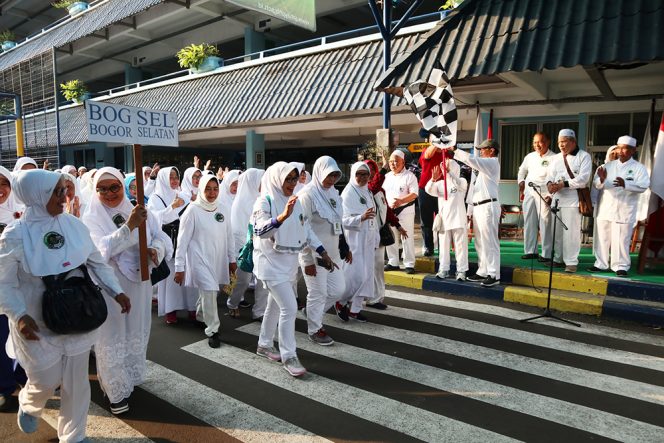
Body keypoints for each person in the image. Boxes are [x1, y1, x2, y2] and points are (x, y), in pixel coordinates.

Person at [0, 169, 130, 442]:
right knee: (46, 380)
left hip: (78, 314)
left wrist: (116, 291)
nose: (64, 197)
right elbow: (4, 283)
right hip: (36, 324)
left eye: (64, 190)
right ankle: (30, 403)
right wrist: (19, 315)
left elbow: (95, 261)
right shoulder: (14, 236)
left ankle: (74, 436)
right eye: (57, 192)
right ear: (37, 196)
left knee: (76, 382)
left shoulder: (73, 225)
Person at [82, 167, 170, 415]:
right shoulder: (92, 217)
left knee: (136, 329)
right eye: (102, 189)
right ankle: (114, 390)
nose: (109, 193)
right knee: (111, 335)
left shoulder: (142, 211)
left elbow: (161, 237)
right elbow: (98, 252)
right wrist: (129, 226)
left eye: (114, 187)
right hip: (110, 286)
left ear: (123, 186)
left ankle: (131, 376)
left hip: (139, 282)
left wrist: (156, 249)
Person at [252, 162, 333, 377]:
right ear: (277, 178)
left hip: (288, 265)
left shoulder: (294, 201)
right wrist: (280, 217)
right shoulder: (264, 201)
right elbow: (260, 231)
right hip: (269, 265)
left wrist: (322, 251)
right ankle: (289, 355)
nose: (292, 183)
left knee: (275, 307)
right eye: (288, 179)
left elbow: (306, 229)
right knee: (289, 308)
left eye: (294, 179)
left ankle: (264, 344)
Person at [174, 174, 237, 348]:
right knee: (209, 290)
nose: (212, 193)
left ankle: (201, 314)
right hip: (198, 260)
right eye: (208, 189)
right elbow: (182, 241)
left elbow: (229, 236)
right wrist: (179, 267)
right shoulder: (192, 210)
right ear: (201, 189)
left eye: (215, 189)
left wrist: (232, 259)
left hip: (217, 259)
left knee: (211, 291)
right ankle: (213, 330)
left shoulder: (223, 208)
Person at [298, 156, 350, 344]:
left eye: (335, 176)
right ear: (320, 172)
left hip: (333, 254)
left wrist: (345, 246)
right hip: (315, 254)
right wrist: (307, 260)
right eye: (329, 176)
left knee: (338, 290)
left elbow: (338, 222)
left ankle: (312, 312)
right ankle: (315, 329)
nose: (332, 180)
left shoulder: (333, 193)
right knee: (318, 293)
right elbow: (302, 228)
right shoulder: (307, 195)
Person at [589, 136, 650, 276]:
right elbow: (596, 184)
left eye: (625, 148)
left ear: (633, 150)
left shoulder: (638, 168)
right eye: (618, 147)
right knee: (602, 238)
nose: (621, 151)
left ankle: (620, 266)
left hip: (624, 209)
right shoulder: (607, 166)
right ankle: (601, 263)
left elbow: (643, 186)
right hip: (606, 207)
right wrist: (602, 180)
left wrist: (626, 184)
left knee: (621, 239)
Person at [450, 140, 501, 287]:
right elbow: (473, 189)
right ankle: (483, 271)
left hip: (488, 205)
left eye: (483, 149)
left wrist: (455, 150)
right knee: (480, 241)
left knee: (490, 241)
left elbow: (471, 159)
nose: (480, 152)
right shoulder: (482, 166)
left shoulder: (492, 162)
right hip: (479, 205)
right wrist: (470, 210)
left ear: (491, 150)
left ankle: (494, 274)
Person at [147, 167, 192, 324]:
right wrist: (172, 207)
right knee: (173, 278)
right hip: (170, 240)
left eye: (176, 177)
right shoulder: (155, 198)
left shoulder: (182, 195)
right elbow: (157, 219)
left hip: (185, 239)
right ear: (164, 179)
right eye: (171, 177)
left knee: (188, 275)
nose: (174, 181)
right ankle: (171, 310)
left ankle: (192, 308)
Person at [338, 162, 380, 322]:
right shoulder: (348, 193)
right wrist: (360, 218)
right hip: (354, 241)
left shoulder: (368, 191)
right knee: (354, 276)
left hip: (368, 241)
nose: (362, 178)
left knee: (366, 276)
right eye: (359, 174)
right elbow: (343, 220)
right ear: (353, 174)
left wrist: (376, 237)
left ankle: (355, 309)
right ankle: (341, 301)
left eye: (365, 174)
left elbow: (373, 218)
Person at [546, 129, 592, 273]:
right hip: (557, 199)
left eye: (564, 141)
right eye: (559, 142)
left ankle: (571, 262)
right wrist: (549, 185)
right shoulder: (555, 158)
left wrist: (563, 184)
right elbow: (550, 175)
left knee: (571, 232)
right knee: (557, 232)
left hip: (573, 201)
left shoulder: (584, 156)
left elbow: (584, 179)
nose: (561, 145)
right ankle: (558, 259)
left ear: (573, 142)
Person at [363, 159, 407, 310]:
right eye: (365, 172)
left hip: (380, 233)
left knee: (378, 267)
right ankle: (372, 298)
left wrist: (398, 225)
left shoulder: (380, 191)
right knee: (373, 268)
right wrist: (383, 170)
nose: (369, 175)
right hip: (368, 235)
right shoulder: (367, 189)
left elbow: (386, 210)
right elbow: (373, 186)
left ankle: (376, 297)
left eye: (372, 171)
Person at [0, 166, 26, 413]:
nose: (0, 190)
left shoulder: (21, 213)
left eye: (3, 183)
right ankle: (5, 388)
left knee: (20, 335)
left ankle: (24, 376)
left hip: (18, 286)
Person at [228, 168, 268, 320]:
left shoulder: (263, 199)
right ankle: (232, 302)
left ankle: (259, 311)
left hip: (261, 245)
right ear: (252, 182)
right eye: (260, 181)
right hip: (244, 247)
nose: (262, 184)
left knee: (262, 279)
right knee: (242, 280)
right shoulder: (239, 203)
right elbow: (237, 231)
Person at [426, 158, 469, 280]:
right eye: (444, 167)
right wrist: (433, 179)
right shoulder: (440, 184)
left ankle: (461, 271)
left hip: (458, 220)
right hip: (444, 221)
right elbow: (428, 190)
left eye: (448, 167)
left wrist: (449, 172)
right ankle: (443, 269)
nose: (445, 170)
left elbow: (458, 184)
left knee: (460, 247)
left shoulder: (462, 181)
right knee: (443, 247)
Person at [517, 132, 555, 261]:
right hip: (529, 191)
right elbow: (521, 170)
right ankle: (530, 251)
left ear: (548, 142)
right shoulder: (530, 156)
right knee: (529, 221)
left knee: (545, 222)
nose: (537, 145)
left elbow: (555, 178)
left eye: (540, 141)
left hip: (544, 193)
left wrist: (550, 195)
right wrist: (521, 181)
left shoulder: (554, 157)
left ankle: (546, 253)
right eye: (534, 142)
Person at [383, 150, 418, 274]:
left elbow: (414, 194)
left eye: (396, 161)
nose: (393, 164)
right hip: (389, 212)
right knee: (391, 236)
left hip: (405, 211)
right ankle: (393, 262)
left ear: (403, 162)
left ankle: (409, 263)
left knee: (406, 237)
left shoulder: (410, 176)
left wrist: (401, 201)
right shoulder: (387, 176)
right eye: (391, 161)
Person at [418, 143, 445, 256]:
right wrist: (436, 142)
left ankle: (443, 246)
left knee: (443, 219)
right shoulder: (427, 151)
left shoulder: (447, 153)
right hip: (425, 189)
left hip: (443, 190)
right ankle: (428, 247)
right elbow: (428, 155)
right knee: (426, 221)